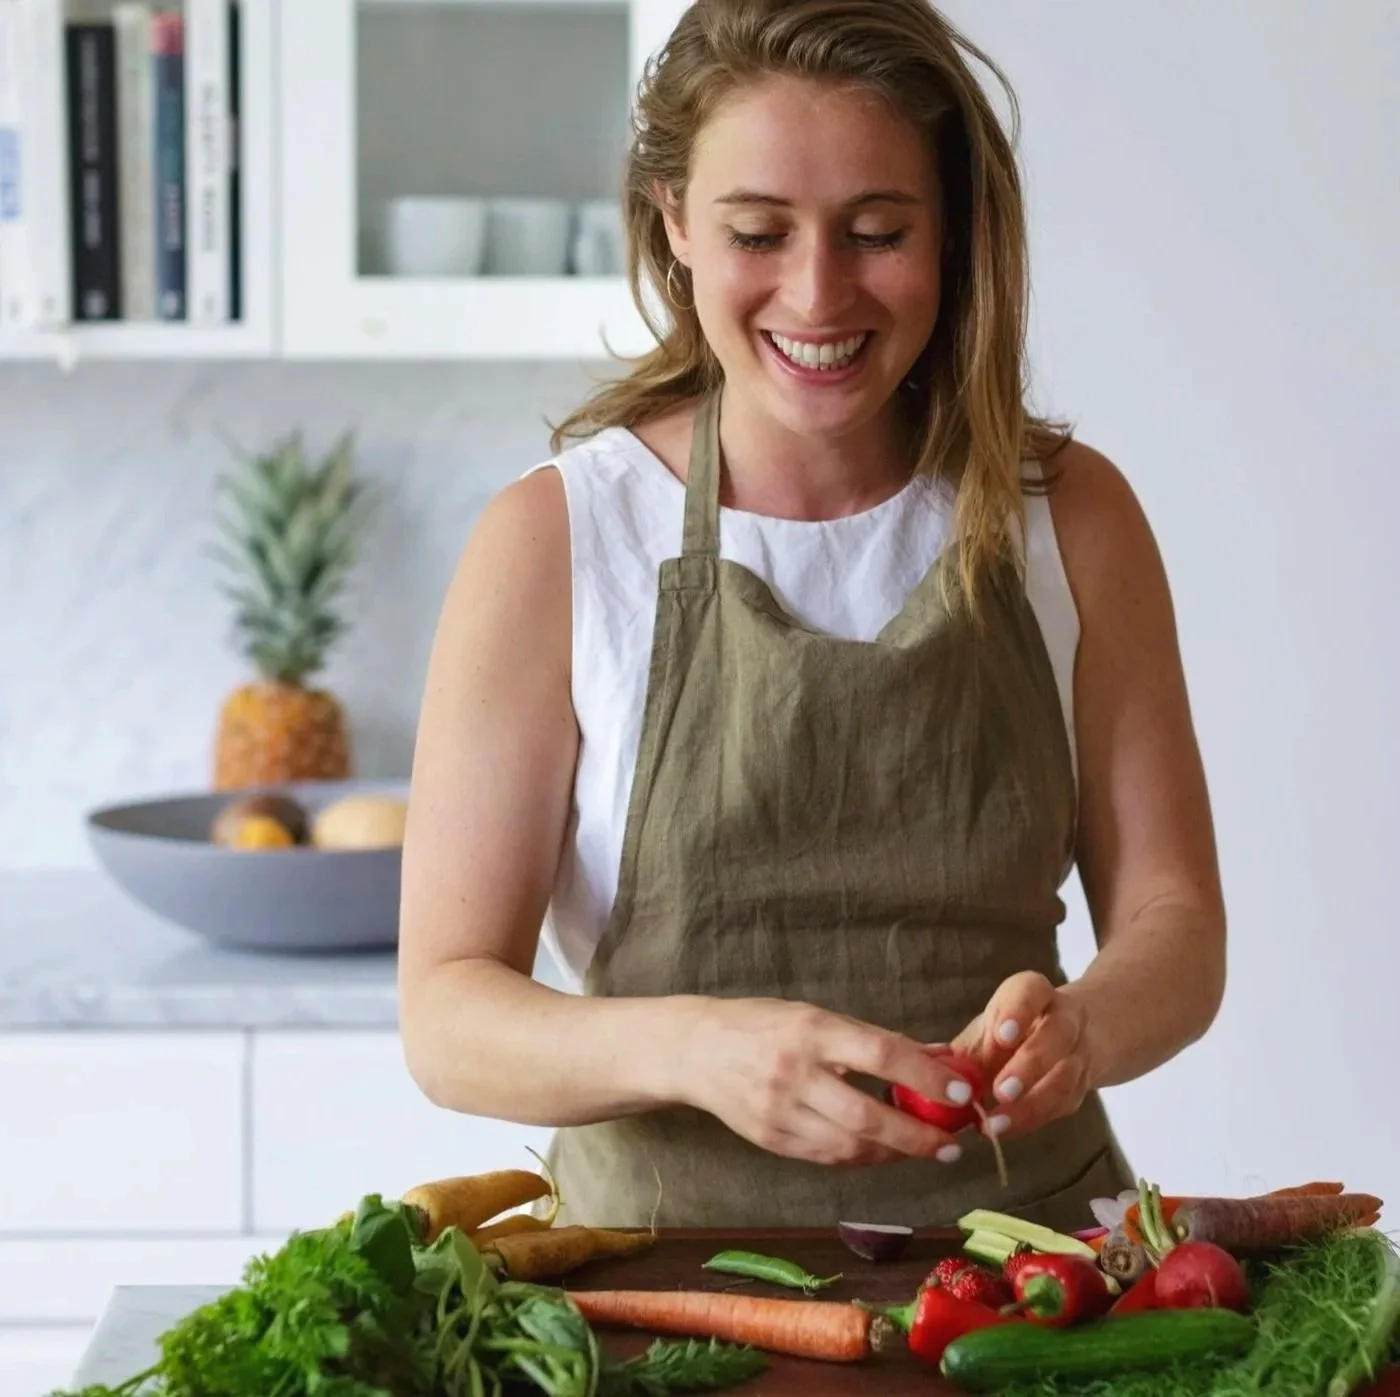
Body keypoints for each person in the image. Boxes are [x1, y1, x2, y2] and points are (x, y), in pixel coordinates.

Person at [397, 0, 1226, 1230]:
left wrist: (1087, 1024)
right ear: (673, 220)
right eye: (756, 231)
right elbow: (448, 1014)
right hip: (653, 1291)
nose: (817, 292)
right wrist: (695, 1049)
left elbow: (1175, 923)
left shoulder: (1072, 516)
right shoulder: (558, 541)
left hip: (1025, 1284)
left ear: (953, 230)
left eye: (877, 230)